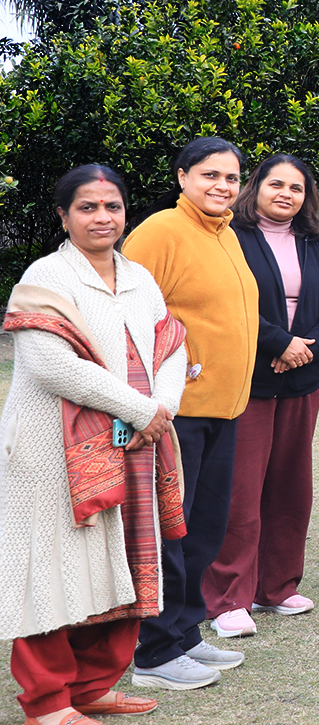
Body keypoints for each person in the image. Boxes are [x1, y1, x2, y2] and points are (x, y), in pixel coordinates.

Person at [2, 166, 188, 720]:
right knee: (52, 572)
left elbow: (171, 345)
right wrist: (139, 410)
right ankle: (48, 702)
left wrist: (163, 408)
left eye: (112, 206)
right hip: (52, 456)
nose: (102, 217)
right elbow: (50, 365)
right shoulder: (45, 277)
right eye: (87, 207)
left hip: (134, 448)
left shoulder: (139, 279)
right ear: (63, 215)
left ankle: (91, 689)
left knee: (126, 565)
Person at [121, 137, 257, 688]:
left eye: (231, 177)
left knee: (204, 528)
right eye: (210, 175)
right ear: (182, 177)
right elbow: (127, 315)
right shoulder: (160, 231)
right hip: (176, 413)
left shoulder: (226, 234)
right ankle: (152, 652)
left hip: (224, 410)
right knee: (170, 532)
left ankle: (182, 632)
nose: (222, 186)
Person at [203, 154, 319, 639]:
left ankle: (277, 587)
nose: (286, 194)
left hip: (302, 380)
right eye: (276, 185)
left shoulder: (316, 246)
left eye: (297, 188)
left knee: (291, 486)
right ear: (256, 187)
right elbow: (227, 304)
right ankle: (228, 599)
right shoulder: (232, 239)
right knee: (241, 491)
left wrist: (305, 351)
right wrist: (278, 343)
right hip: (249, 379)